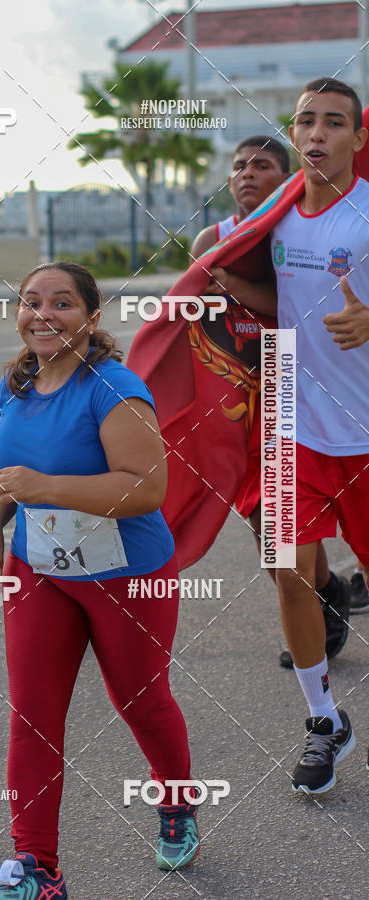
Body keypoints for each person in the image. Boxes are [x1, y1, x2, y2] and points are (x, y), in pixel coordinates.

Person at [0, 261, 199, 899]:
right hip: (39, 569)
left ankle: (177, 803)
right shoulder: (17, 383)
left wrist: (46, 489)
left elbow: (147, 487)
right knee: (33, 717)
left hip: (127, 574)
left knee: (142, 703)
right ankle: (36, 869)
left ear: (91, 318)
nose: (43, 313)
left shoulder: (114, 387)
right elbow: (14, 467)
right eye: (31, 301)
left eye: (62, 303)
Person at [194, 136, 355, 669]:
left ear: (285, 181)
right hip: (239, 403)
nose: (246, 175)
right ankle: (327, 591)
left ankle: (323, 604)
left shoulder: (292, 232)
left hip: (293, 395)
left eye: (262, 166)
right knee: (265, 526)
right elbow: (187, 335)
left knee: (282, 531)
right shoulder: (209, 243)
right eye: (238, 166)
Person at [269, 78, 369, 793]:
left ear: (358, 139)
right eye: (307, 120)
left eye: (335, 122)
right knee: (288, 572)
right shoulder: (275, 217)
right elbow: (255, 285)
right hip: (293, 431)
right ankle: (323, 720)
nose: (318, 132)